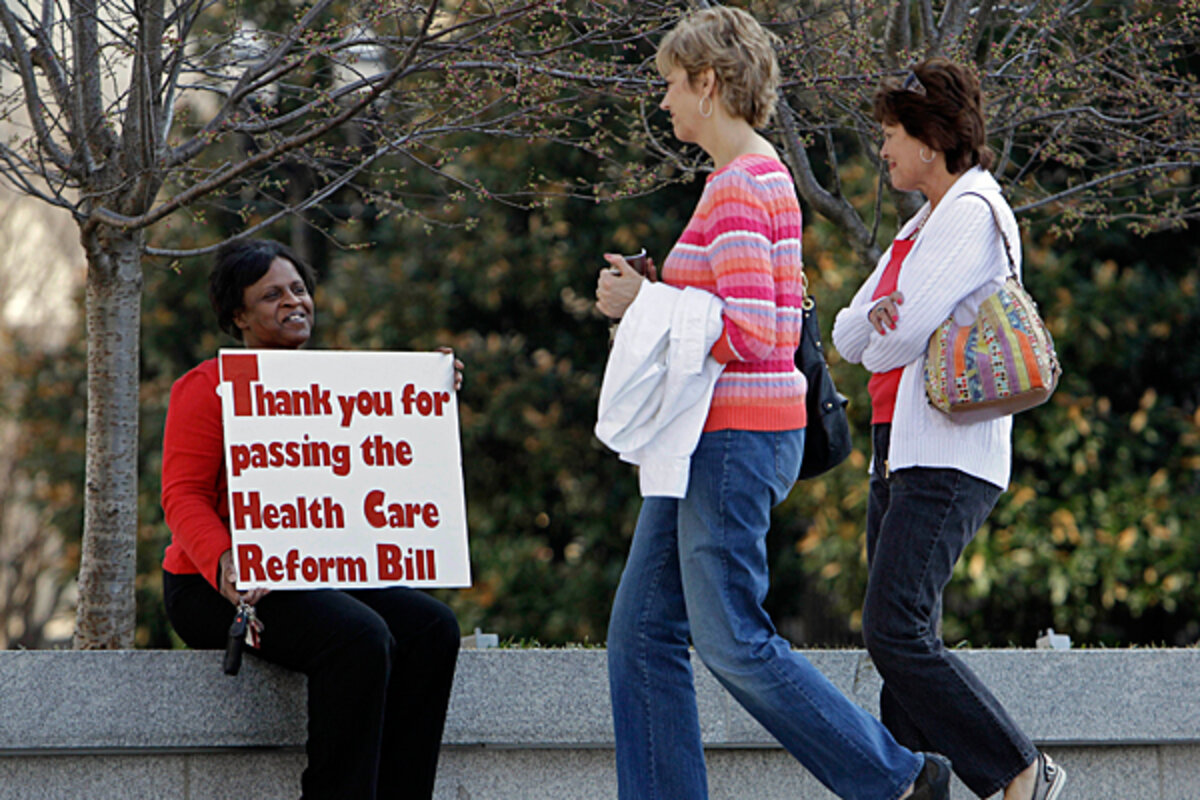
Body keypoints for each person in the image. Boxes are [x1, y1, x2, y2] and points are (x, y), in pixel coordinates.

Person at [594, 8, 950, 800]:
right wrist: (657, 298)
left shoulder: (740, 185)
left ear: (708, 83)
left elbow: (759, 330)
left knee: (732, 639)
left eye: (670, 84)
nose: (664, 101)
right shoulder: (750, 178)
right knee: (641, 637)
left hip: (732, 439)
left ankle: (900, 779)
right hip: (709, 438)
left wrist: (645, 305)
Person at [831, 59, 1067, 800]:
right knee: (903, 647)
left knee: (894, 629)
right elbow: (846, 332)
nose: (883, 150)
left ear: (931, 141)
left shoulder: (970, 212)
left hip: (947, 454)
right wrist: (879, 325)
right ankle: (915, 786)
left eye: (891, 135)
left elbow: (894, 341)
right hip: (897, 449)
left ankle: (1020, 768)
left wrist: (881, 327)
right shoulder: (921, 225)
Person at [160, 238, 463, 800]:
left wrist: (428, 393)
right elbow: (182, 496)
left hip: (315, 569)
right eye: (271, 295)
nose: (293, 302)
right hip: (213, 584)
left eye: (298, 289)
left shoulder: (335, 387)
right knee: (358, 636)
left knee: (432, 627)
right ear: (238, 316)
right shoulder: (205, 388)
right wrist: (227, 563)